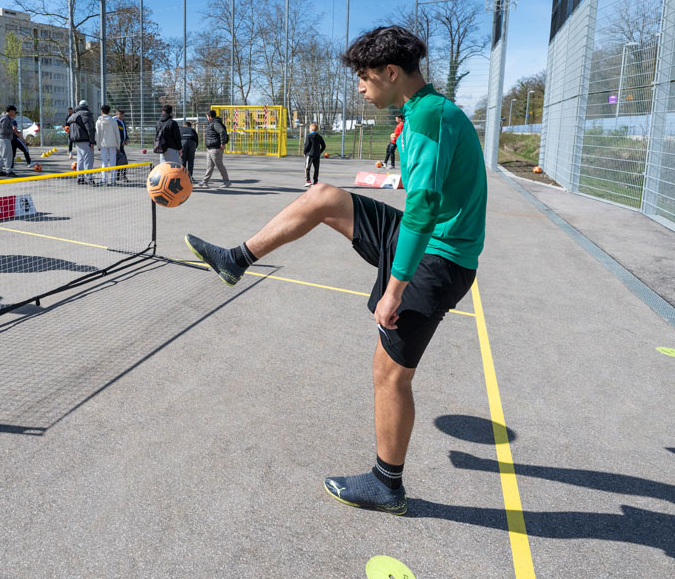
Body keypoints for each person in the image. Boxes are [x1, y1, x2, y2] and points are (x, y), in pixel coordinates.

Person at [184, 26, 486, 516]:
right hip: (430, 239)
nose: (360, 88)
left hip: (440, 256)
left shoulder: (429, 118)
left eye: (365, 78)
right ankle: (236, 260)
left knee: (389, 374)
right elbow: (426, 193)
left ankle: (387, 486)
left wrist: (395, 288)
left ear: (392, 73)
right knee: (323, 197)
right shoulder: (421, 111)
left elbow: (425, 207)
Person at [199, 109, 231, 188]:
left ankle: (226, 181)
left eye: (207, 116)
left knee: (219, 165)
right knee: (209, 166)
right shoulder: (212, 123)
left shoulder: (216, 123)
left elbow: (222, 132)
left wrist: (222, 143)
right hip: (210, 148)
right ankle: (205, 182)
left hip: (215, 148)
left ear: (209, 117)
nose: (207, 117)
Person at [67, 101, 95, 177]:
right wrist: (92, 141)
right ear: (86, 106)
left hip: (77, 140)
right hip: (85, 140)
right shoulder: (85, 114)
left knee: (80, 159)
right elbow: (90, 128)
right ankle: (89, 177)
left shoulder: (74, 115)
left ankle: (80, 177)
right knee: (88, 160)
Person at [95, 104, 120, 185]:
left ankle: (104, 179)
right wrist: (118, 145)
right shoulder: (113, 121)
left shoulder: (99, 121)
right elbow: (117, 134)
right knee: (113, 162)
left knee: (104, 162)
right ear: (109, 111)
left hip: (103, 144)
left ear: (101, 111)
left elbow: (97, 134)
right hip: (113, 144)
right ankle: (113, 180)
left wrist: (98, 145)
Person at [0, 104, 18, 177]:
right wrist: (12, 130)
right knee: (8, 155)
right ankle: (8, 171)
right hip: (4, 138)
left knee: (1, 155)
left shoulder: (5, 118)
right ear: (11, 111)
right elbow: (4, 129)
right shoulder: (5, 118)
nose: (15, 113)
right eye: (14, 111)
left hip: (3, 138)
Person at [302, 123, 326, 187]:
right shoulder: (319, 137)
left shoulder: (308, 136)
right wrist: (319, 151)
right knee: (316, 168)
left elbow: (306, 145)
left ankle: (308, 181)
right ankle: (315, 182)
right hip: (317, 155)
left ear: (311, 129)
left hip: (310, 154)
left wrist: (304, 152)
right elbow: (324, 146)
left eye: (309, 129)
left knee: (307, 168)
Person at [114, 109, 130, 182]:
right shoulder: (115, 122)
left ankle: (120, 176)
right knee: (122, 160)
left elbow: (124, 132)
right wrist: (120, 142)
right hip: (117, 145)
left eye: (123, 114)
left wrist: (126, 139)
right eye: (120, 114)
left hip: (122, 145)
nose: (122, 116)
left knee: (122, 161)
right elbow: (115, 134)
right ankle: (120, 176)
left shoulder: (122, 122)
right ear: (116, 114)